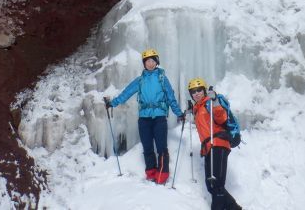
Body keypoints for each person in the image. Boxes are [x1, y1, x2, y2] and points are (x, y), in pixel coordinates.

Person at [104, 48, 185, 184]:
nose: (150, 64)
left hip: (159, 117)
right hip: (144, 119)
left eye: (152, 61)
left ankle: (162, 174)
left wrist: (179, 113)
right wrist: (113, 103)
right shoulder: (140, 80)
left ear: (157, 62)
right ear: (144, 63)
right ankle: (151, 172)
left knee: (161, 147)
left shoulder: (162, 79)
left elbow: (171, 98)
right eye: (147, 61)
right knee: (147, 147)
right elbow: (126, 93)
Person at [189, 77, 242, 210]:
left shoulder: (209, 103)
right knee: (212, 185)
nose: (196, 93)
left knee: (216, 184)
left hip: (218, 144)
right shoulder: (199, 107)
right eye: (193, 91)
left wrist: (215, 102)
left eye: (199, 90)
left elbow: (221, 117)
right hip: (209, 147)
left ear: (204, 90)